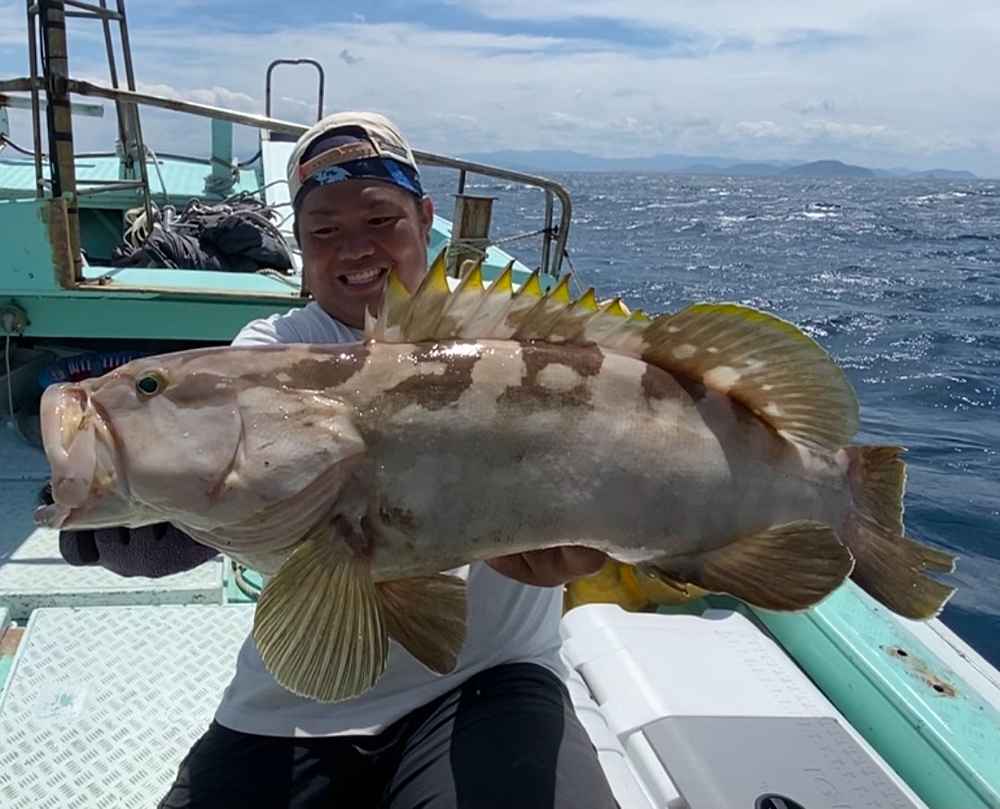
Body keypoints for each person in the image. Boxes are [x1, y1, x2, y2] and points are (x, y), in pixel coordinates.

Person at [58, 111, 619, 809]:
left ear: (425, 219)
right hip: (299, 699)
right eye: (324, 230)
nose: (355, 248)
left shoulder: (514, 343)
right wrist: (141, 506)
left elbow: (613, 462)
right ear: (299, 243)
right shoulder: (267, 350)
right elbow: (232, 490)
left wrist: (598, 535)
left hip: (492, 677)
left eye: (381, 220)